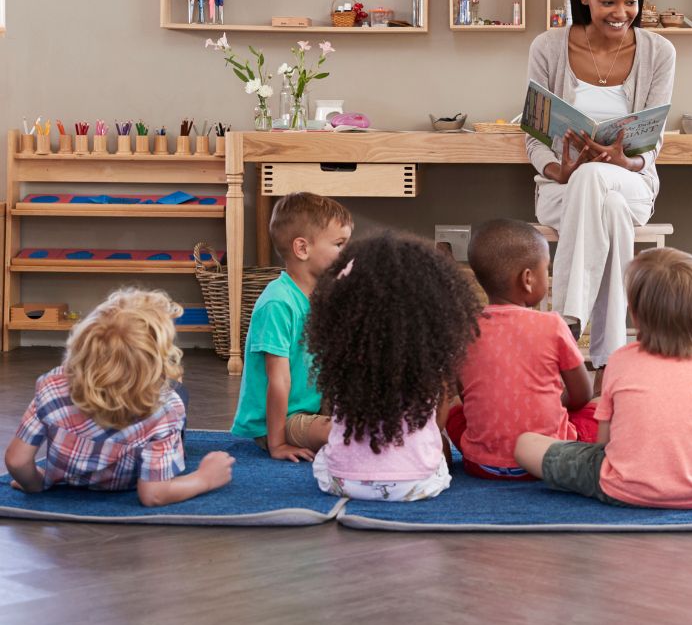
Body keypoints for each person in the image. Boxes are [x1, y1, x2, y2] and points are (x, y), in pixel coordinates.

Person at [514, 248, 692, 508]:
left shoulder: (619, 360)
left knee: (526, 444)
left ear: (638, 315)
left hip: (619, 486)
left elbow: (604, 443)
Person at [526, 0, 676, 390]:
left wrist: (627, 160)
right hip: (563, 189)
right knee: (603, 202)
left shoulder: (659, 51)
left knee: (602, 183)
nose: (621, 13)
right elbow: (532, 133)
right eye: (609, 1)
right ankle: (609, 360)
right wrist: (559, 169)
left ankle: (565, 329)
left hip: (631, 182)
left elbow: (656, 136)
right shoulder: (549, 46)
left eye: (631, 1)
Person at [4, 289, 234, 507]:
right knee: (178, 391)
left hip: (69, 480)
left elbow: (17, 461)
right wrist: (205, 478)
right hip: (127, 485)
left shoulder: (52, 385)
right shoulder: (166, 409)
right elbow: (153, 494)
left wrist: (35, 484)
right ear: (155, 362)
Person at [306, 232, 483, 503]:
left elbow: (335, 414)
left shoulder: (343, 359)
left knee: (325, 456)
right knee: (439, 444)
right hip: (418, 485)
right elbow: (438, 421)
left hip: (344, 482)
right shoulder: (429, 362)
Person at [448, 219, 595, 480]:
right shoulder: (552, 325)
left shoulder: (463, 328)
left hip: (481, 465)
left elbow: (465, 395)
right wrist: (554, 403)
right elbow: (582, 395)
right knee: (597, 409)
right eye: (545, 270)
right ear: (528, 279)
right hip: (548, 460)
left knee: (454, 412)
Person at [231, 192, 352, 461]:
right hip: (280, 421)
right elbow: (279, 380)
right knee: (347, 434)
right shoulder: (278, 303)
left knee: (368, 421)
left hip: (311, 408)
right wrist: (278, 444)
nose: (347, 254)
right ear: (302, 249)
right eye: (339, 245)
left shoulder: (323, 295)